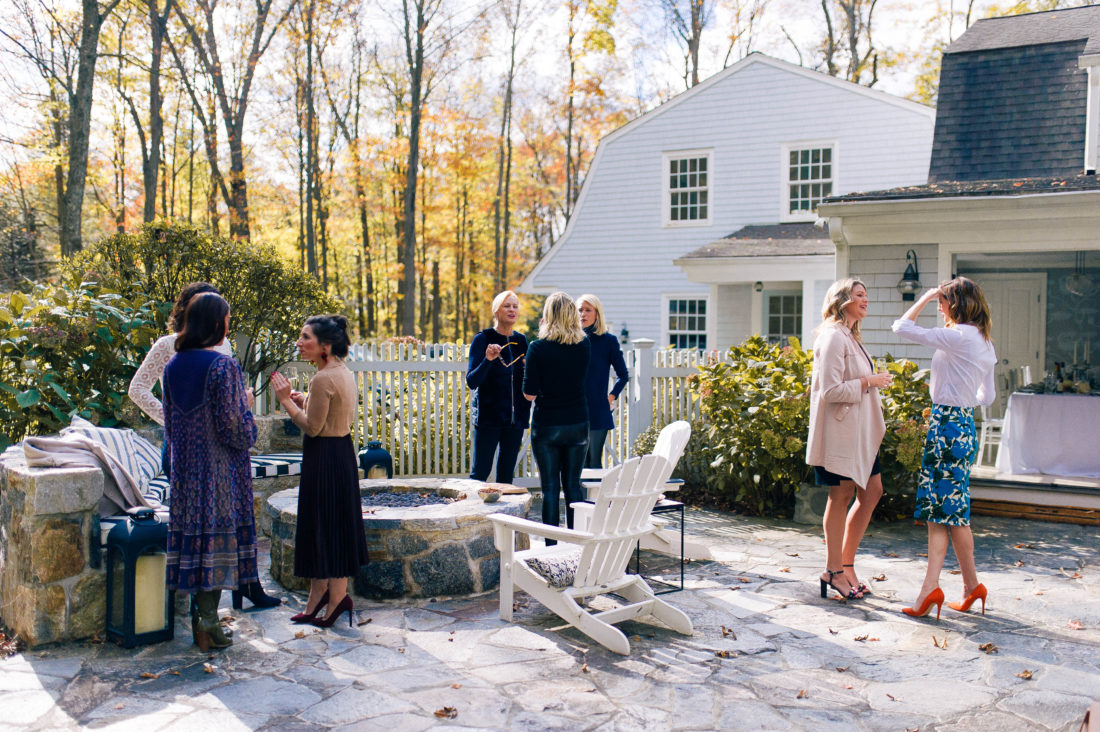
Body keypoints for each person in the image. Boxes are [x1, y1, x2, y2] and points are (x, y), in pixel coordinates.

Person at [129, 282, 280, 611]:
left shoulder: (221, 349)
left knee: (230, 521)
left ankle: (247, 585)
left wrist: (235, 405)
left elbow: (221, 402)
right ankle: (205, 611)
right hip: (189, 447)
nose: (227, 324)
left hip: (217, 447)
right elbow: (139, 389)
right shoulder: (169, 347)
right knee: (208, 523)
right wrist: (173, 421)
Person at [893, 277, 997, 620]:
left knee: (941, 513)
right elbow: (989, 397)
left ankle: (930, 590)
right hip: (965, 425)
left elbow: (900, 326)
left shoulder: (957, 336)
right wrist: (963, 395)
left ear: (955, 304)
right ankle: (971, 587)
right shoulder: (983, 341)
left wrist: (923, 296)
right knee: (954, 511)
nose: (939, 306)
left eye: (942, 300)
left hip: (946, 426)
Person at [162, 293, 259, 651]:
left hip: (186, 469)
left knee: (195, 542)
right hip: (220, 471)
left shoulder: (173, 365)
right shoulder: (223, 367)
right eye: (227, 319)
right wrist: (249, 415)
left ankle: (198, 623)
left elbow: (169, 424)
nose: (229, 325)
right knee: (217, 542)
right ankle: (208, 622)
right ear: (216, 323)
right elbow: (233, 427)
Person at [271, 315, 369, 628]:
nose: (299, 343)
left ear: (325, 346)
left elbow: (313, 427)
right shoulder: (340, 371)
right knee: (335, 527)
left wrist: (287, 401)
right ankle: (328, 598)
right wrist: (305, 399)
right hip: (340, 453)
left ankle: (330, 600)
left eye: (306, 337)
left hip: (324, 457)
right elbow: (329, 412)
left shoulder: (322, 378)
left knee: (321, 528)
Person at [806, 279, 892, 601]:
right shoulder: (831, 337)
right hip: (840, 433)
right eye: (859, 295)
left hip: (859, 433)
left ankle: (845, 564)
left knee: (872, 491)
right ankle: (835, 570)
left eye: (866, 294)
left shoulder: (851, 337)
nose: (865, 299)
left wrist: (869, 382)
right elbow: (829, 392)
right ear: (842, 300)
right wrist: (869, 381)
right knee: (840, 495)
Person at [523, 292, 591, 544]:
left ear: (548, 315)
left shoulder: (537, 348)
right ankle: (575, 546)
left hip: (548, 425)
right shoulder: (584, 345)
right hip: (577, 424)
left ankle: (551, 550)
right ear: (573, 315)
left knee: (550, 489)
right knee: (573, 486)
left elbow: (529, 394)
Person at [466, 290, 531, 484]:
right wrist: (487, 360)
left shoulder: (521, 341)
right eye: (507, 306)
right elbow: (472, 381)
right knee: (480, 472)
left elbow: (526, 379)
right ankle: (470, 513)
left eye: (515, 306)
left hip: (516, 418)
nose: (512, 310)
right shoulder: (483, 339)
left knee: (506, 476)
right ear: (496, 310)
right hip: (489, 418)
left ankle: (503, 513)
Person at [577, 294, 629, 469]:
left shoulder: (608, 341)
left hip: (598, 409)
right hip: (573, 408)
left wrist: (611, 397)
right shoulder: (571, 340)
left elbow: (623, 375)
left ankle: (593, 497)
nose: (582, 314)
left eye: (587, 310)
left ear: (597, 314)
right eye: (580, 310)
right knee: (576, 463)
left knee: (592, 461)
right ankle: (577, 498)